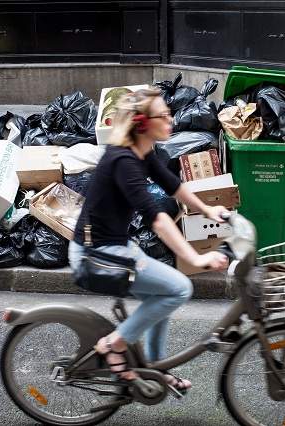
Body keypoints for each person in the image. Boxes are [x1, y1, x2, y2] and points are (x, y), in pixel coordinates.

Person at [69, 88, 229, 391]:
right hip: (94, 254)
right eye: (164, 115)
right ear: (142, 123)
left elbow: (175, 187)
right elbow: (155, 217)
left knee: (162, 297)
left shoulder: (146, 152)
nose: (171, 119)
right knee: (180, 288)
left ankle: (156, 369)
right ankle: (114, 344)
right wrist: (195, 259)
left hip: (113, 247)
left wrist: (210, 210)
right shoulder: (123, 160)